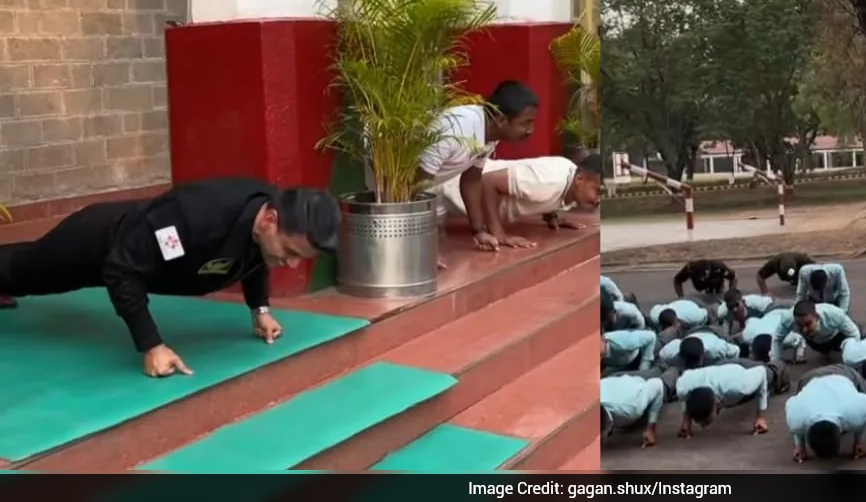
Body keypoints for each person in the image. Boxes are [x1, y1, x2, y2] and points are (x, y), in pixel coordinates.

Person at [0, 178, 339, 378]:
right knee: (25, 272)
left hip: (133, 247)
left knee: (24, 268)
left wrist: (259, 309)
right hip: (93, 241)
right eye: (290, 251)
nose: (291, 264)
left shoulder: (262, 220)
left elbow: (256, 257)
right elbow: (121, 269)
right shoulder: (195, 216)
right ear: (269, 220)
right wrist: (152, 345)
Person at [418, 80, 540, 254]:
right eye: (525, 123)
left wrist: (479, 232)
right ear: (501, 120)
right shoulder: (456, 129)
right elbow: (415, 186)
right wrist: (421, 252)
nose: (530, 130)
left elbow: (471, 180)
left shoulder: (490, 131)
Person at [434, 154, 602, 231]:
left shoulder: (569, 176)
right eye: (597, 191)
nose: (598, 199)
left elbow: (545, 193)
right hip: (448, 189)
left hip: (460, 187)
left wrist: (552, 215)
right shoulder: (549, 181)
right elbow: (488, 181)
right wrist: (498, 233)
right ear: (580, 179)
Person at [786, 364, 866, 464]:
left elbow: (864, 399)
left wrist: (859, 442)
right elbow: (791, 405)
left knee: (863, 390)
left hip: (837, 375)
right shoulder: (795, 421)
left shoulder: (855, 415)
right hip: (814, 378)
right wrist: (799, 446)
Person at [675, 362, 771, 438]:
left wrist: (760, 417)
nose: (703, 427)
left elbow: (761, 371)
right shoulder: (683, 388)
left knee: (770, 374)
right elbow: (686, 395)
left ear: (715, 405)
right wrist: (686, 420)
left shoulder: (740, 387)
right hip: (717, 369)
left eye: (707, 421)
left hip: (742, 367)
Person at [772, 300, 860, 363]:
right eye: (799, 325)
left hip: (838, 336)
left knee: (857, 333)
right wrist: (777, 362)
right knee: (825, 353)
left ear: (817, 316)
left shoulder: (834, 314)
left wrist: (853, 357)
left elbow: (854, 334)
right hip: (816, 343)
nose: (804, 329)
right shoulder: (787, 319)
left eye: (808, 324)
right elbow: (777, 339)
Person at [600, 373, 665, 448]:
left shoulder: (633, 407)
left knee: (665, 379)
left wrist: (651, 428)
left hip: (640, 384)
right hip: (619, 379)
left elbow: (658, 383)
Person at [659, 332, 741, 368]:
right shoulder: (670, 352)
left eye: (695, 365)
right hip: (691, 333)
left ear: (702, 356)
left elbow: (736, 350)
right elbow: (662, 357)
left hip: (714, 333)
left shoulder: (717, 349)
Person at [716, 289, 782, 333]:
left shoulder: (755, 302)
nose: (734, 309)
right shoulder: (723, 312)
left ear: (743, 301)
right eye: (731, 307)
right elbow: (726, 334)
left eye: (736, 305)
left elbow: (772, 304)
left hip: (766, 303)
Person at [672, 259, 737, 298]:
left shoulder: (719, 267)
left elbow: (733, 278)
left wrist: (732, 293)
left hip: (717, 285)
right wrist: (681, 297)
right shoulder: (690, 269)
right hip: (700, 287)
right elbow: (677, 280)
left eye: (704, 276)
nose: (703, 279)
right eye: (701, 277)